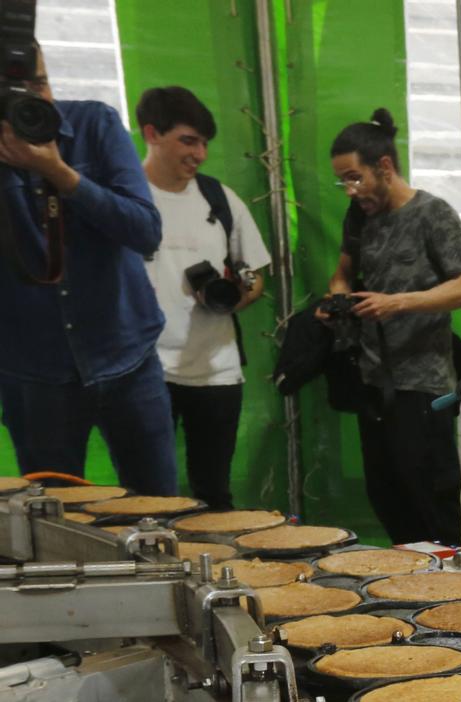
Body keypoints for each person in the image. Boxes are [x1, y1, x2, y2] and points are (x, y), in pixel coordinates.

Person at [0, 43, 174, 495]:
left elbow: (146, 231)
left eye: (38, 82)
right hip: (35, 373)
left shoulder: (95, 124)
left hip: (127, 355)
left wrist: (60, 173)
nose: (32, 99)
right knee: (57, 522)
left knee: (162, 508)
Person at [326, 108, 461, 543]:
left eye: (355, 177)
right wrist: (336, 300)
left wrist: (399, 303)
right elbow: (343, 271)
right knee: (388, 498)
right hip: (373, 384)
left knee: (434, 501)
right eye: (343, 181)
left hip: (425, 388)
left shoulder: (433, 214)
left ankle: (459, 595)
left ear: (385, 167)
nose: (350, 190)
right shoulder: (358, 217)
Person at [138, 86, 270, 511]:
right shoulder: (127, 199)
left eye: (205, 143)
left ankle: (218, 575)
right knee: (146, 497)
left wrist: (235, 298)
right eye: (188, 140)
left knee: (214, 493)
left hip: (216, 371)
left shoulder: (219, 198)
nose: (200, 153)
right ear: (152, 133)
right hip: (144, 371)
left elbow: (256, 276)